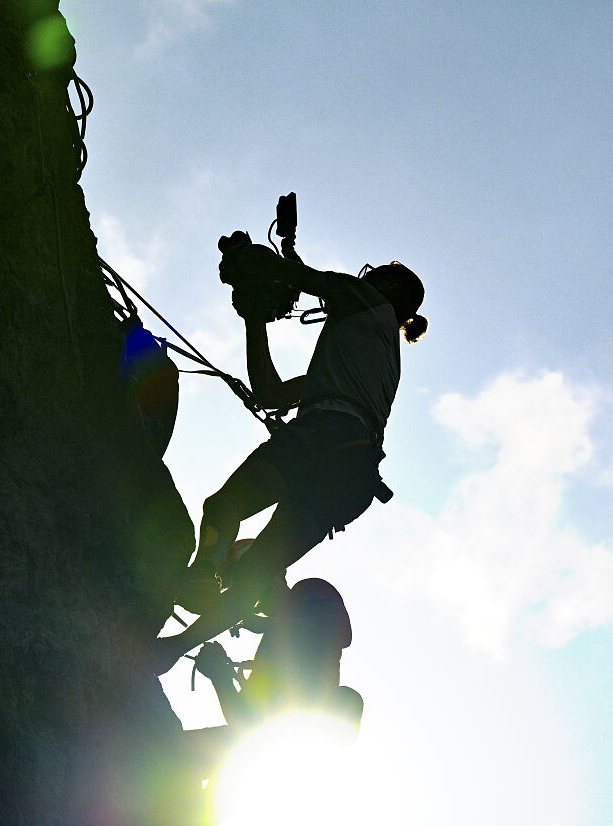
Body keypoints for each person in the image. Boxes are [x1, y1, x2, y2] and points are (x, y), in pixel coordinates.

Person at [153, 241, 427, 674]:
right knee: (257, 572)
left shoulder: (368, 300)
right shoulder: (365, 357)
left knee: (225, 506)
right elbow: (270, 393)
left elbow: (294, 276)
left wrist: (251, 264)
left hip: (321, 437)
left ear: (390, 288)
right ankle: (170, 650)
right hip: (352, 473)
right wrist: (253, 320)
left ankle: (202, 575)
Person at [182, 578, 364, 781]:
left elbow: (246, 723)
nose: (257, 605)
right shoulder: (286, 637)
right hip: (260, 747)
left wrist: (220, 675)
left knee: (171, 754)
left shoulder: (311, 600)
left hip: (264, 747)